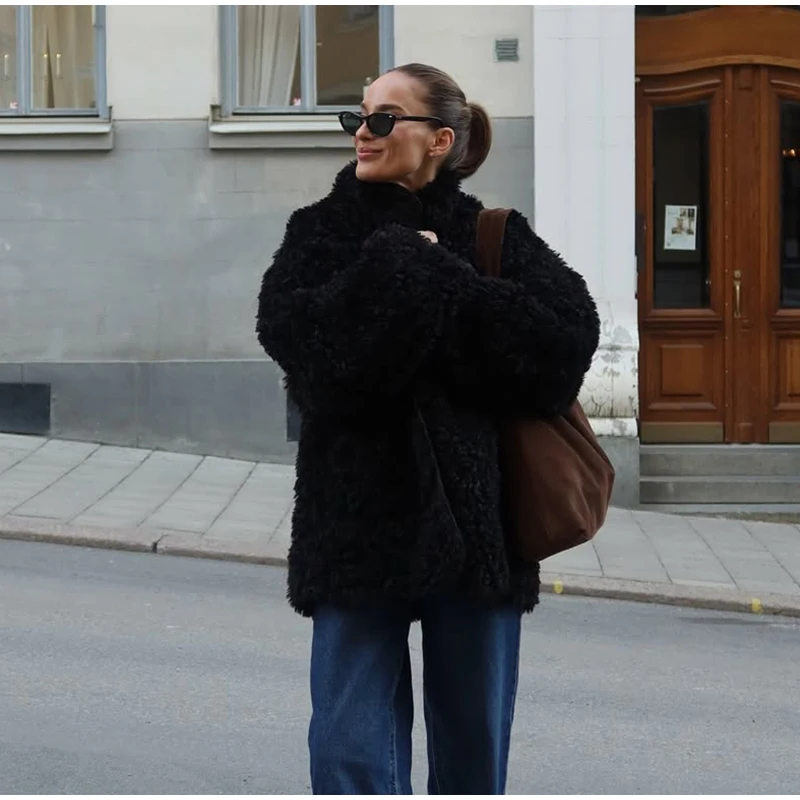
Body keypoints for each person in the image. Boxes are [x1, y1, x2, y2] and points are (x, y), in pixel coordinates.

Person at [256, 62, 600, 795]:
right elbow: (309, 354)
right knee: (346, 753)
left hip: (478, 535)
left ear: (439, 139)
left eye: (383, 118)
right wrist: (397, 262)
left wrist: (442, 279)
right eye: (357, 117)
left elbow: (561, 351)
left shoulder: (493, 235)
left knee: (472, 757)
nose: (363, 132)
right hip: (356, 532)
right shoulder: (320, 233)